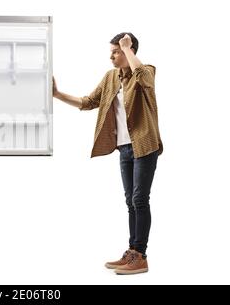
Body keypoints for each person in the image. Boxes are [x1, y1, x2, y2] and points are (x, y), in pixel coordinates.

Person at [52, 32, 163, 275]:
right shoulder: (111, 77)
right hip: (124, 147)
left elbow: (145, 80)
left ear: (128, 51)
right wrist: (58, 94)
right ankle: (133, 251)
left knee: (140, 200)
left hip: (145, 144)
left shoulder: (146, 70)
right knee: (130, 201)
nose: (111, 56)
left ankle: (140, 256)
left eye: (116, 51)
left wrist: (129, 48)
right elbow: (88, 101)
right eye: (112, 51)